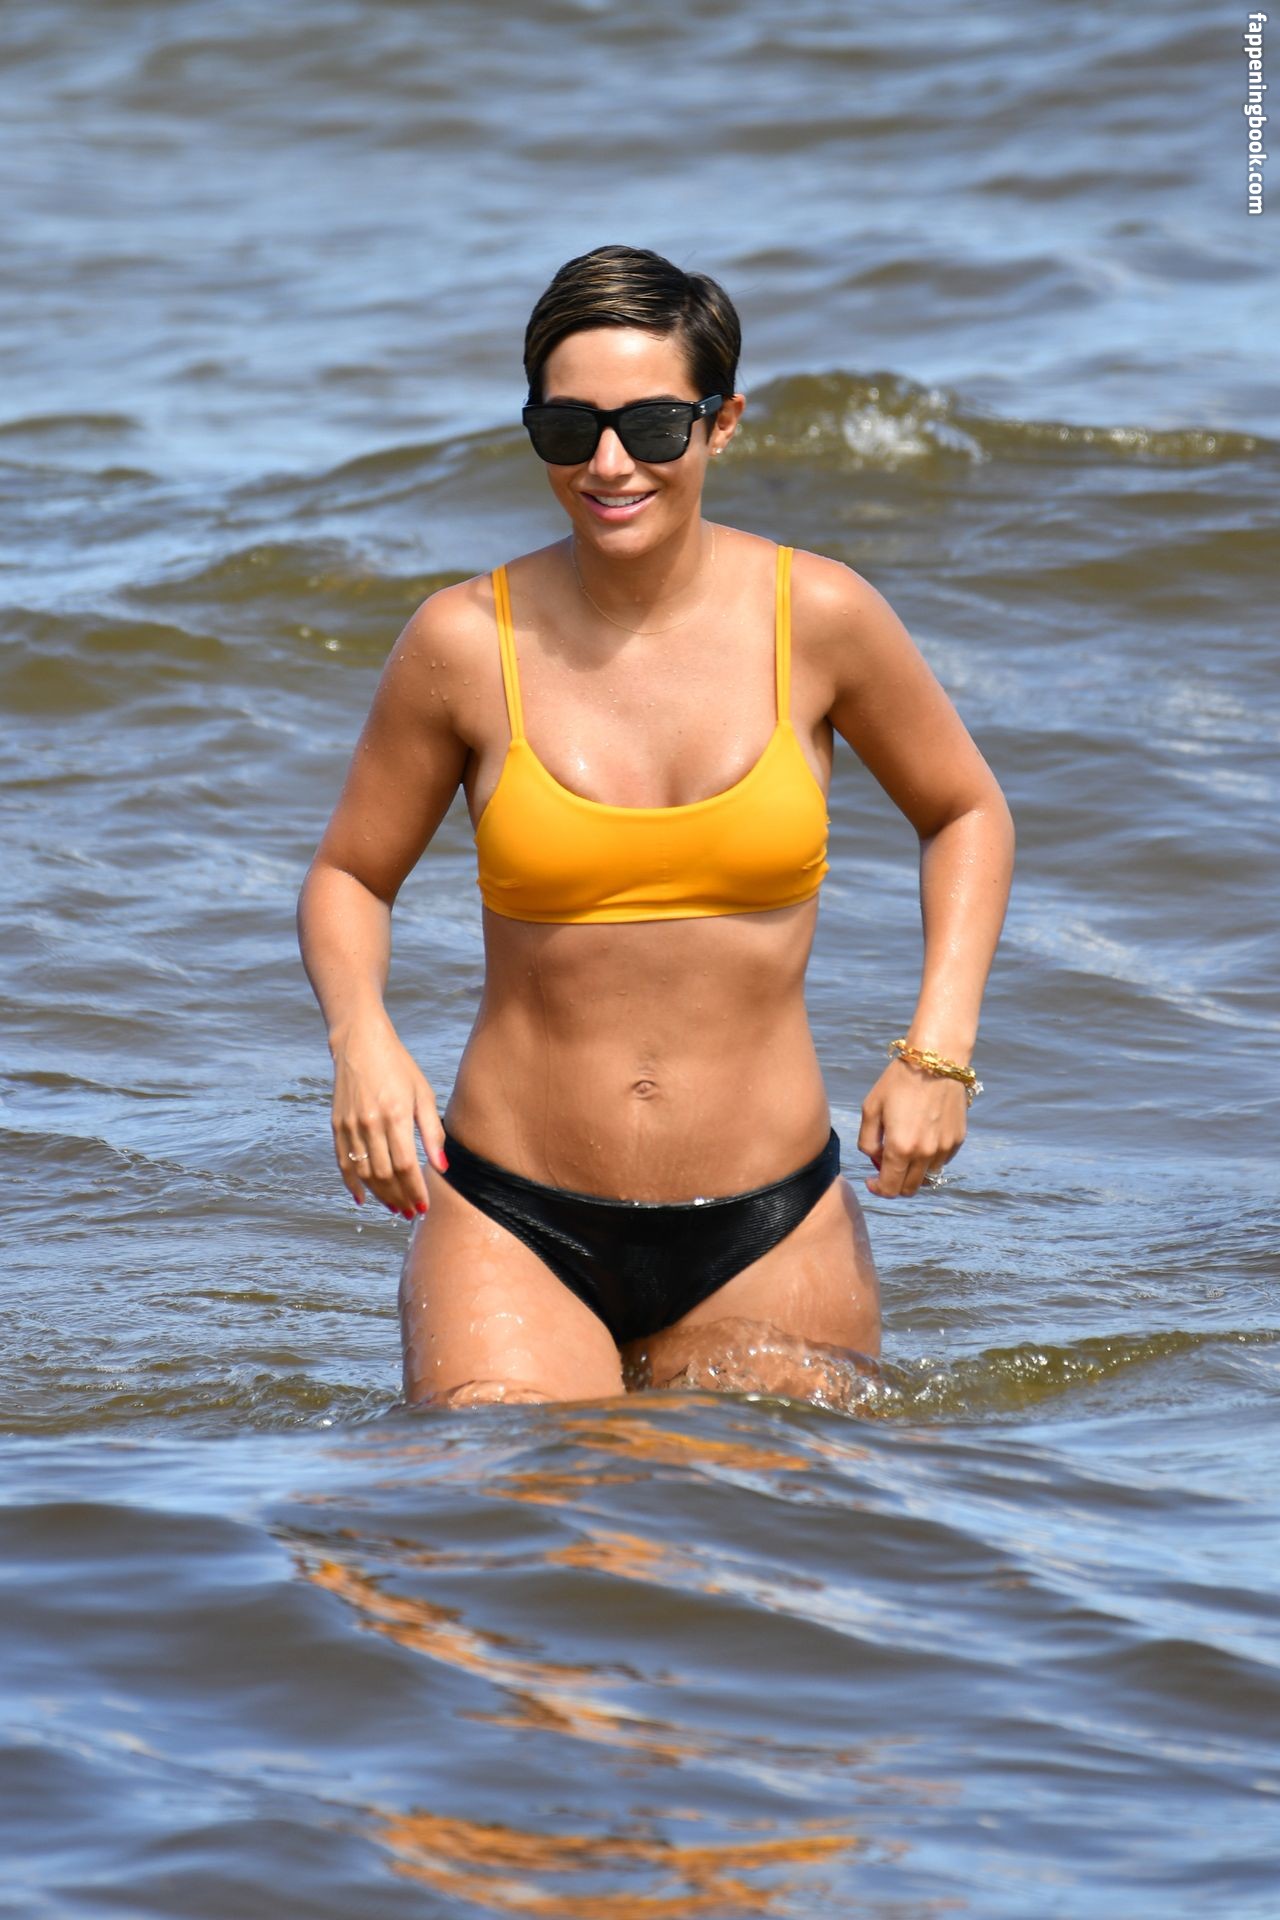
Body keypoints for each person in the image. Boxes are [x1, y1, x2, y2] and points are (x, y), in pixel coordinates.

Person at [296, 244, 1015, 1409]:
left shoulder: (821, 617)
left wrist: (937, 1051)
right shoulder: (462, 642)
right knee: (484, 1499)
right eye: (566, 429)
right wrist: (360, 1042)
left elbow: (963, 809)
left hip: (768, 1222)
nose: (608, 464)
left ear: (720, 424)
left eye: (649, 425)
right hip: (511, 1216)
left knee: (765, 1510)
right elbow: (349, 875)